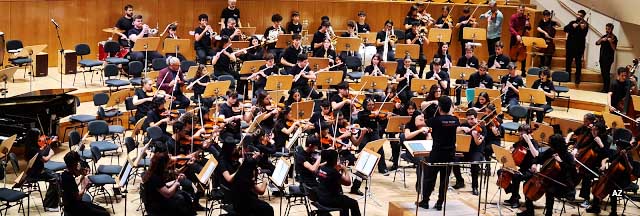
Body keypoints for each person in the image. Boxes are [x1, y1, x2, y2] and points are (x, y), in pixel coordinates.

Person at [418, 96, 462, 210]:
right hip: (450, 154)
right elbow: (452, 119)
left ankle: (425, 201)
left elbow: (422, 121)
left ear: (440, 107)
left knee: (429, 178)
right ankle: (439, 203)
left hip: (437, 153)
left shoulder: (435, 121)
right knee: (444, 180)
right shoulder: (455, 120)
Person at [517, 134, 576, 216]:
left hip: (563, 183)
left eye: (551, 144)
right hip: (549, 179)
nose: (550, 145)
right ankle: (529, 211)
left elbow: (572, 171)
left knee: (550, 191)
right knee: (527, 183)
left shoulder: (567, 156)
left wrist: (561, 162)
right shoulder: (552, 151)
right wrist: (534, 163)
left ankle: (549, 214)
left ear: (557, 145)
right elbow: (539, 157)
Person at [586, 130, 640, 215]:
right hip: (613, 177)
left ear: (622, 147)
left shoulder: (628, 155)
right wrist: (603, 165)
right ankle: (595, 207)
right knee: (598, 183)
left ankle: (613, 212)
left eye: (618, 147)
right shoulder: (617, 153)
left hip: (623, 180)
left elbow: (630, 170)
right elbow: (606, 159)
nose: (617, 148)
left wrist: (625, 158)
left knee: (614, 191)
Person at [565, 113, 607, 208]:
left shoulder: (602, 138)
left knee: (586, 176)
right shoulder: (587, 128)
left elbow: (605, 153)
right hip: (584, 159)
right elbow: (580, 140)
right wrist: (575, 148)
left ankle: (586, 199)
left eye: (586, 121)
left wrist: (597, 139)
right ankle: (569, 193)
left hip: (595, 162)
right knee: (570, 170)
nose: (585, 123)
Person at [61, 151, 109, 216]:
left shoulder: (64, 174)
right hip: (74, 208)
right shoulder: (69, 178)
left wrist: (81, 178)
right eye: (77, 163)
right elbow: (78, 197)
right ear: (74, 164)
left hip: (72, 205)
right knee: (105, 214)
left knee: (103, 210)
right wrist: (84, 186)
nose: (78, 165)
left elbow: (72, 188)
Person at [502, 124, 539, 209]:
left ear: (528, 133)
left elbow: (536, 155)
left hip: (529, 170)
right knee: (500, 172)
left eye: (522, 134)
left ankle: (515, 200)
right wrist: (508, 150)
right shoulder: (521, 141)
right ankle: (515, 195)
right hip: (519, 168)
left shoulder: (534, 143)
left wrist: (529, 141)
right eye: (520, 133)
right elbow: (511, 147)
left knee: (516, 177)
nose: (520, 135)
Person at [316, 150, 362, 216]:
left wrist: (338, 170)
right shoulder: (333, 172)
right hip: (330, 200)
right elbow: (348, 182)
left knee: (345, 203)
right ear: (335, 160)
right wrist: (345, 169)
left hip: (321, 197)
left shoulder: (322, 168)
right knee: (354, 203)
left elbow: (332, 178)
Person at [452, 109, 486, 195]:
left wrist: (475, 136)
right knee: (454, 160)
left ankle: (475, 186)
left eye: (472, 119)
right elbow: (454, 132)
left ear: (476, 118)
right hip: (465, 150)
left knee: (474, 163)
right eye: (468, 119)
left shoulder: (482, 128)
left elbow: (478, 142)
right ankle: (460, 181)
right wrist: (462, 128)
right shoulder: (464, 125)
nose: (470, 121)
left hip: (477, 151)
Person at [357, 97, 389, 175]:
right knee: (363, 145)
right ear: (365, 105)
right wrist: (374, 115)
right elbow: (364, 119)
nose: (371, 107)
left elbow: (382, 123)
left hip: (373, 132)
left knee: (379, 147)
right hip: (364, 133)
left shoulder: (376, 114)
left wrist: (386, 118)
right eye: (369, 105)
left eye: (372, 105)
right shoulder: (361, 113)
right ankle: (361, 169)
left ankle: (382, 168)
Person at [564, 9, 589, 84]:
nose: (578, 16)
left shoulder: (585, 24)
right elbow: (565, 29)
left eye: (580, 15)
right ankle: (567, 77)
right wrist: (572, 26)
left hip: (579, 47)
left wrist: (582, 28)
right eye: (578, 14)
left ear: (583, 17)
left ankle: (577, 78)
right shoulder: (572, 22)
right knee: (568, 62)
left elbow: (583, 34)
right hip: (570, 46)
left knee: (578, 63)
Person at [596, 23, 618, 93]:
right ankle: (604, 88)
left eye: (608, 29)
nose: (607, 30)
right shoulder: (604, 36)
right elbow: (597, 43)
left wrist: (610, 42)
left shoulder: (614, 37)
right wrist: (602, 40)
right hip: (602, 57)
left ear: (611, 29)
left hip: (608, 59)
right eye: (606, 28)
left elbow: (614, 48)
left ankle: (606, 89)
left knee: (606, 73)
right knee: (603, 73)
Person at [509, 5, 530, 74]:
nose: (522, 12)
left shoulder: (525, 18)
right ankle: (512, 70)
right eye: (521, 10)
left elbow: (529, 29)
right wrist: (516, 34)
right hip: (514, 38)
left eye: (523, 11)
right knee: (513, 55)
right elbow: (511, 27)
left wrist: (528, 23)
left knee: (523, 54)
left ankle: (523, 71)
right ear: (517, 9)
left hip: (523, 38)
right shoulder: (513, 17)